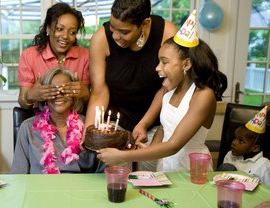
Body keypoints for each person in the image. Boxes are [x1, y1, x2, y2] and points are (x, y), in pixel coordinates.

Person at [97, 10, 227, 172]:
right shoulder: (169, 90)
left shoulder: (203, 96)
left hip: (191, 171)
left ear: (186, 64)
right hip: (165, 168)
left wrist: (121, 156)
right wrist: (150, 149)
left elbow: (173, 145)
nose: (158, 68)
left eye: (164, 62)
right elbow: (164, 128)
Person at [85, 0, 178, 170]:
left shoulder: (168, 34)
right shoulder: (100, 39)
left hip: (155, 123)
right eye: (113, 28)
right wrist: (89, 134)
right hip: (115, 122)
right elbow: (99, 92)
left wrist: (144, 123)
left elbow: (168, 87)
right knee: (115, 175)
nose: (115, 36)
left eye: (124, 31)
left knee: (150, 175)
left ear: (145, 23)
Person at [11, 67, 105, 174]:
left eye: (65, 90)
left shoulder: (89, 126)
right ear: (43, 96)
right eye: (52, 91)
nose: (59, 95)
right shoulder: (27, 128)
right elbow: (18, 174)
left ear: (74, 95)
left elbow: (103, 172)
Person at [18, 2, 90, 109]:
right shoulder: (29, 56)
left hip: (74, 120)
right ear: (48, 29)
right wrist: (30, 95)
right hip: (40, 119)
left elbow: (87, 102)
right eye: (59, 29)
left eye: (72, 32)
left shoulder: (85, 55)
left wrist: (85, 94)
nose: (65, 36)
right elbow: (23, 103)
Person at [217, 107, 270, 186]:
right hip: (227, 192)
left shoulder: (263, 164)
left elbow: (267, 190)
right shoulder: (230, 155)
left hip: (250, 197)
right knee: (227, 167)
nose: (234, 143)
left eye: (241, 141)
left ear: (255, 148)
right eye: (234, 138)